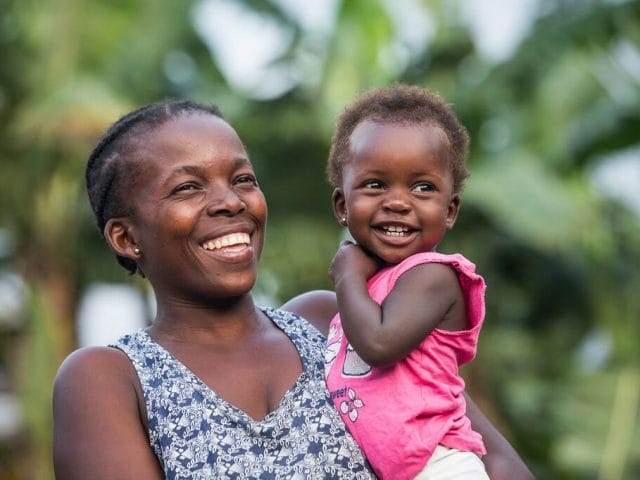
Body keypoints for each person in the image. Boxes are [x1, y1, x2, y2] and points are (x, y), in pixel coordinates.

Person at [53, 99, 533, 479]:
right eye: (187, 188)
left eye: (242, 179)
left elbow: (489, 459)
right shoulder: (108, 379)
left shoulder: (332, 322)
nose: (230, 201)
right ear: (126, 237)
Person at [289, 84, 497, 480]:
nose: (398, 202)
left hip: (442, 467)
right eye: (375, 185)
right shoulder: (370, 290)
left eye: (423, 187)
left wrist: (347, 272)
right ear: (342, 206)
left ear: (450, 210)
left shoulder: (434, 276)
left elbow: (379, 345)